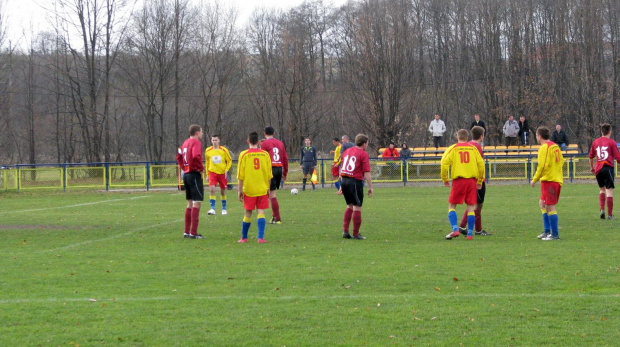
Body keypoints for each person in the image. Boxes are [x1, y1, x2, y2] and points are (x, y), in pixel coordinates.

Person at [441, 129, 485, 240]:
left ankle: (455, 229)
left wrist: (445, 179)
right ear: (467, 138)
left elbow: (444, 164)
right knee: (471, 207)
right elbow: (481, 165)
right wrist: (480, 181)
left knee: (452, 205)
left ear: (457, 137)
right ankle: (470, 233)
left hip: (458, 180)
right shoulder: (473, 149)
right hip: (471, 181)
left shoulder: (454, 149)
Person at [237, 132, 273, 243]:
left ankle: (244, 237)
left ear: (248, 141)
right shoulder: (265, 155)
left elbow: (240, 176)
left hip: (249, 189)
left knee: (248, 212)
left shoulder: (244, 155)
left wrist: (239, 190)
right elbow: (269, 175)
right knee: (261, 212)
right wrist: (268, 189)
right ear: (258, 142)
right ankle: (260, 237)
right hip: (262, 188)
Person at [456, 126, 491, 236]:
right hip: (477, 179)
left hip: (469, 178)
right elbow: (479, 165)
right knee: (476, 205)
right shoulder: (477, 147)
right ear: (482, 136)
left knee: (475, 204)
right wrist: (480, 180)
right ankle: (462, 226)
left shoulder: (469, 145)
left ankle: (478, 229)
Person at [531, 126, 564, 241]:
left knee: (550, 206)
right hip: (553, 179)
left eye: (536, 135)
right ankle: (547, 231)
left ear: (539, 136)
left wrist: (534, 179)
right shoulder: (555, 146)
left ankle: (555, 234)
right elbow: (562, 161)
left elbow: (542, 165)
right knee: (542, 204)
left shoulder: (544, 147)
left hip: (550, 180)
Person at [339, 134, 374, 240]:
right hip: (355, 181)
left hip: (344, 180)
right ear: (364, 144)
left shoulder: (347, 151)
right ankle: (355, 234)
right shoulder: (363, 154)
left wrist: (341, 184)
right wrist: (371, 187)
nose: (367, 145)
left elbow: (341, 168)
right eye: (367, 143)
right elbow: (366, 172)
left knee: (349, 206)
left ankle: (345, 231)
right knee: (357, 206)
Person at [176, 124, 205, 239]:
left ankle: (186, 232)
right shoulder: (196, 142)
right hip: (193, 174)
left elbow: (178, 156)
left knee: (190, 202)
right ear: (197, 132)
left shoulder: (185, 142)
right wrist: (200, 169)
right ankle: (193, 233)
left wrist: (184, 167)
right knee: (197, 202)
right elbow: (196, 156)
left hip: (186, 174)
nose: (202, 134)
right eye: (201, 132)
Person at [589, 123, 620, 220]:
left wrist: (592, 167)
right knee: (609, 190)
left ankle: (602, 209)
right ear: (610, 131)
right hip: (607, 167)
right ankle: (610, 215)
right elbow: (618, 158)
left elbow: (591, 156)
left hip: (598, 168)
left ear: (602, 131)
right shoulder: (612, 142)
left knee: (602, 189)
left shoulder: (595, 142)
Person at [261, 126, 289, 224]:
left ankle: (277, 218)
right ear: (274, 133)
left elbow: (261, 158)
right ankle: (274, 216)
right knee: (271, 193)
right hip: (279, 168)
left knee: (270, 194)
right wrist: (285, 172)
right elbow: (285, 158)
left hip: (270, 169)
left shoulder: (264, 144)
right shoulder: (280, 143)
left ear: (264, 133)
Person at [204, 135, 233, 215]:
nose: (214, 142)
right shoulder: (208, 150)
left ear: (219, 140)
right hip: (212, 172)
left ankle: (224, 209)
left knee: (223, 191)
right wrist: (207, 174)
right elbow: (207, 163)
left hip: (222, 173)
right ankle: (212, 208)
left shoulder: (224, 150)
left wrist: (226, 169)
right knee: (212, 189)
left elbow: (229, 160)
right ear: (211, 141)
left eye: (216, 140)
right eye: (213, 140)